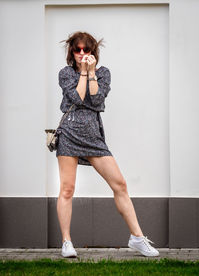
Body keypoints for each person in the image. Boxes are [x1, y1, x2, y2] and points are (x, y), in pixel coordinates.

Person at [56, 31, 160, 258]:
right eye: (77, 49)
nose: (82, 53)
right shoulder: (65, 73)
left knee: (120, 184)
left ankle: (137, 238)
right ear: (71, 52)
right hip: (69, 133)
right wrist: (83, 72)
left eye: (87, 49)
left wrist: (91, 72)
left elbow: (96, 100)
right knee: (67, 189)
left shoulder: (103, 73)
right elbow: (76, 98)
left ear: (94, 52)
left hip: (93, 136)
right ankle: (66, 242)